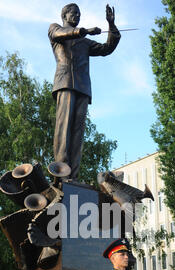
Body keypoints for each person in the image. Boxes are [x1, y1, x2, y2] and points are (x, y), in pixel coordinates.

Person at [48, 4, 121, 181]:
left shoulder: (85, 42)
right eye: (74, 13)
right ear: (64, 15)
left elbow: (107, 48)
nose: (77, 16)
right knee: (63, 129)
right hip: (65, 83)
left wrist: (111, 25)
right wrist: (84, 31)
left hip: (83, 88)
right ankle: (61, 174)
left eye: (79, 14)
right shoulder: (55, 29)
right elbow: (59, 34)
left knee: (78, 134)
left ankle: (73, 176)